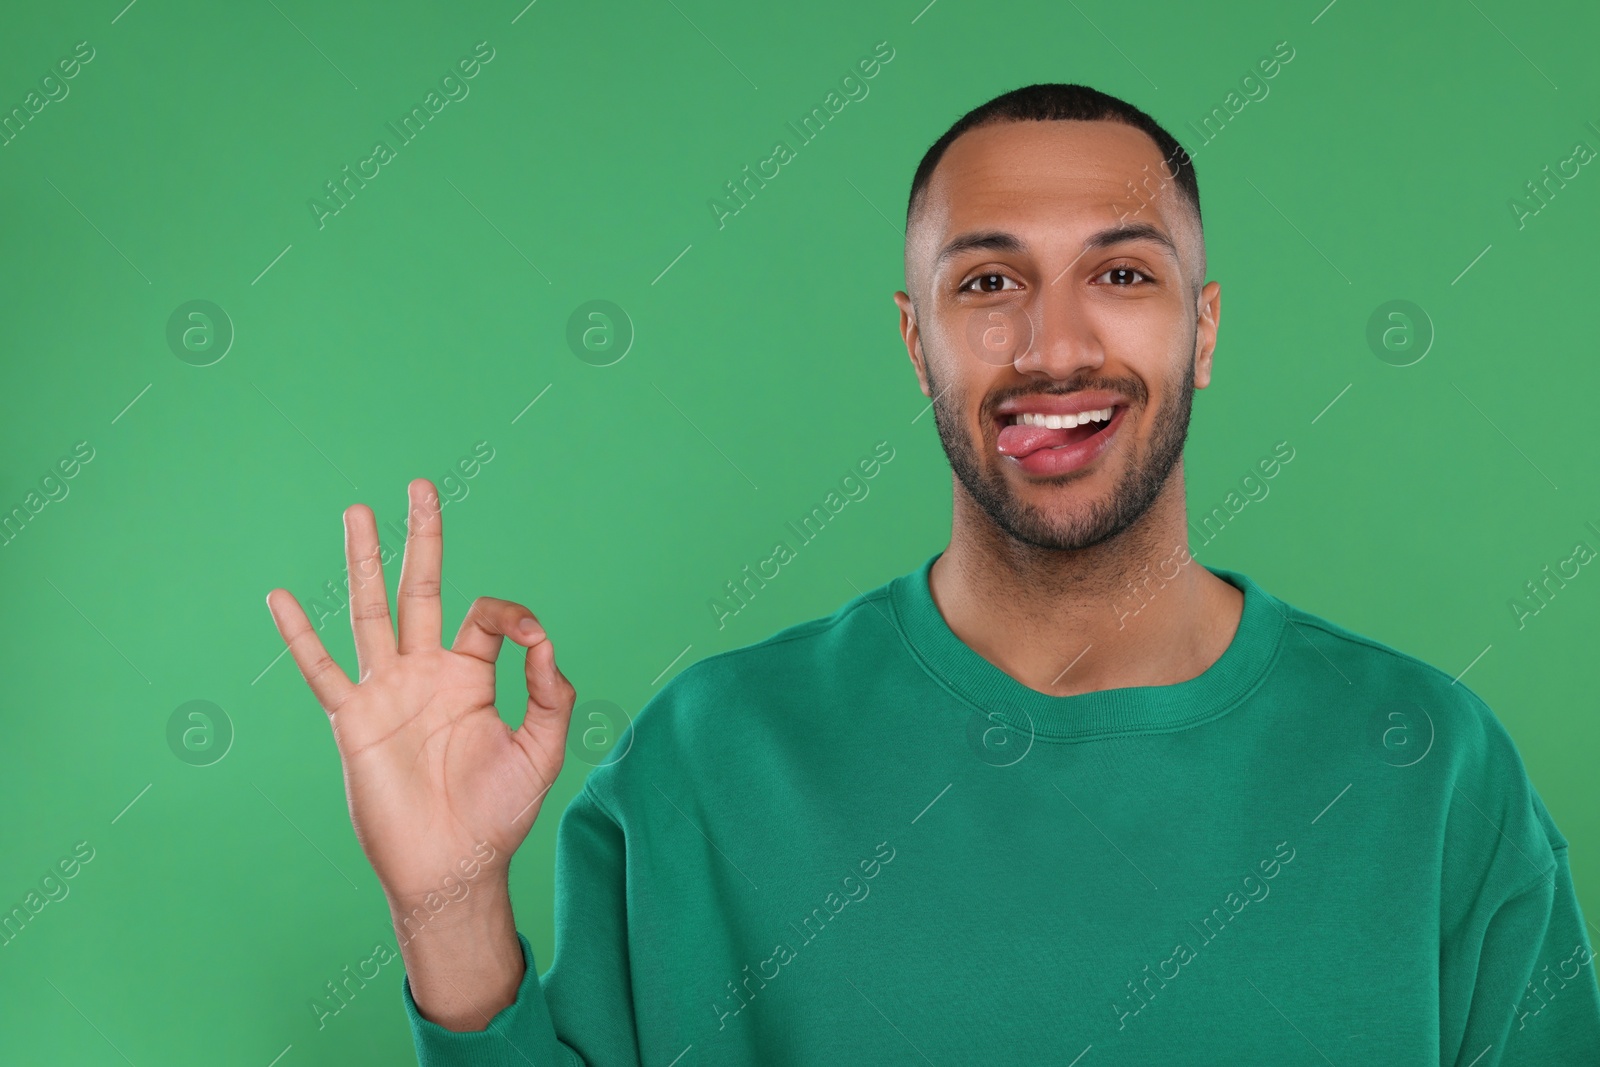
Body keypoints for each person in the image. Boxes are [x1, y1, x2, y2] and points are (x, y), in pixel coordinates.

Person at [265, 83, 1600, 1065]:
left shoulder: (1426, 769)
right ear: (917, 343)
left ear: (1202, 330)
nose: (1052, 343)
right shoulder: (712, 763)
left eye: (1121, 273)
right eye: (987, 284)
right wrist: (444, 912)